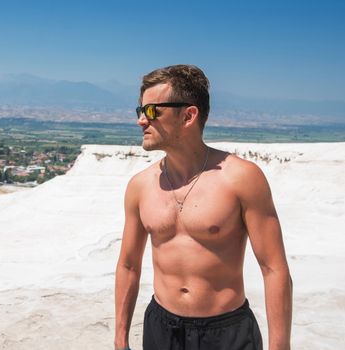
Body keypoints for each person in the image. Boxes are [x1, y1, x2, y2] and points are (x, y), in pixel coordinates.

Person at [114, 65, 292, 350]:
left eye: (151, 111)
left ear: (188, 115)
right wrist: (120, 339)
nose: (140, 121)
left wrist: (280, 347)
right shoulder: (140, 186)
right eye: (139, 111)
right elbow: (128, 265)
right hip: (161, 330)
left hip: (227, 332)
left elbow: (274, 268)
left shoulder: (242, 178)